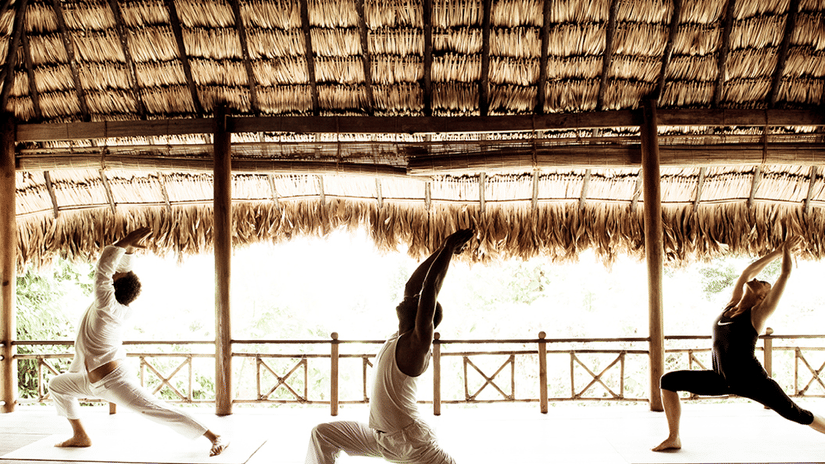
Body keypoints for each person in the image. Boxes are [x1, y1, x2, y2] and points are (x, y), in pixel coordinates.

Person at [48, 227, 229, 457]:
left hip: (114, 382)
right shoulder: (116, 306)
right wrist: (130, 252)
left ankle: (215, 436)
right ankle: (80, 436)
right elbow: (118, 271)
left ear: (114, 288)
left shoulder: (107, 307)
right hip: (91, 380)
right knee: (57, 385)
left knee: (156, 410)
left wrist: (123, 242)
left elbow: (102, 271)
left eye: (116, 277)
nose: (114, 273)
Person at [305, 228, 475, 464]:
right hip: (381, 438)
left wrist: (447, 250)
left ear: (422, 317)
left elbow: (429, 289)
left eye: (416, 301)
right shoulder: (398, 338)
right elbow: (412, 286)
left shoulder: (416, 345)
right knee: (322, 434)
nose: (409, 298)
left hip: (414, 446)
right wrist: (441, 249)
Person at [652, 236, 825, 451]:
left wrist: (787, 251)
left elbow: (785, 273)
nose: (759, 279)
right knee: (668, 381)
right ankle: (673, 437)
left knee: (797, 414)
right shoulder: (731, 306)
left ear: (762, 298)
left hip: (753, 381)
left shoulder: (757, 314)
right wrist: (777, 252)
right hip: (721, 379)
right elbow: (746, 273)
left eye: (763, 283)